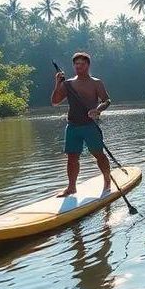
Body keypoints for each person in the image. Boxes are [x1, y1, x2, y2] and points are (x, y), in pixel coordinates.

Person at [51, 52, 112, 196]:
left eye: (82, 64)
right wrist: (57, 83)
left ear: (88, 65)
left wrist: (97, 110)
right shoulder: (68, 83)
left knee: (98, 154)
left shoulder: (96, 82)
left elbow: (107, 100)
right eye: (76, 64)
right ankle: (71, 187)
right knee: (72, 157)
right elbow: (54, 102)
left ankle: (107, 180)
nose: (79, 67)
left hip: (90, 125)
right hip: (72, 126)